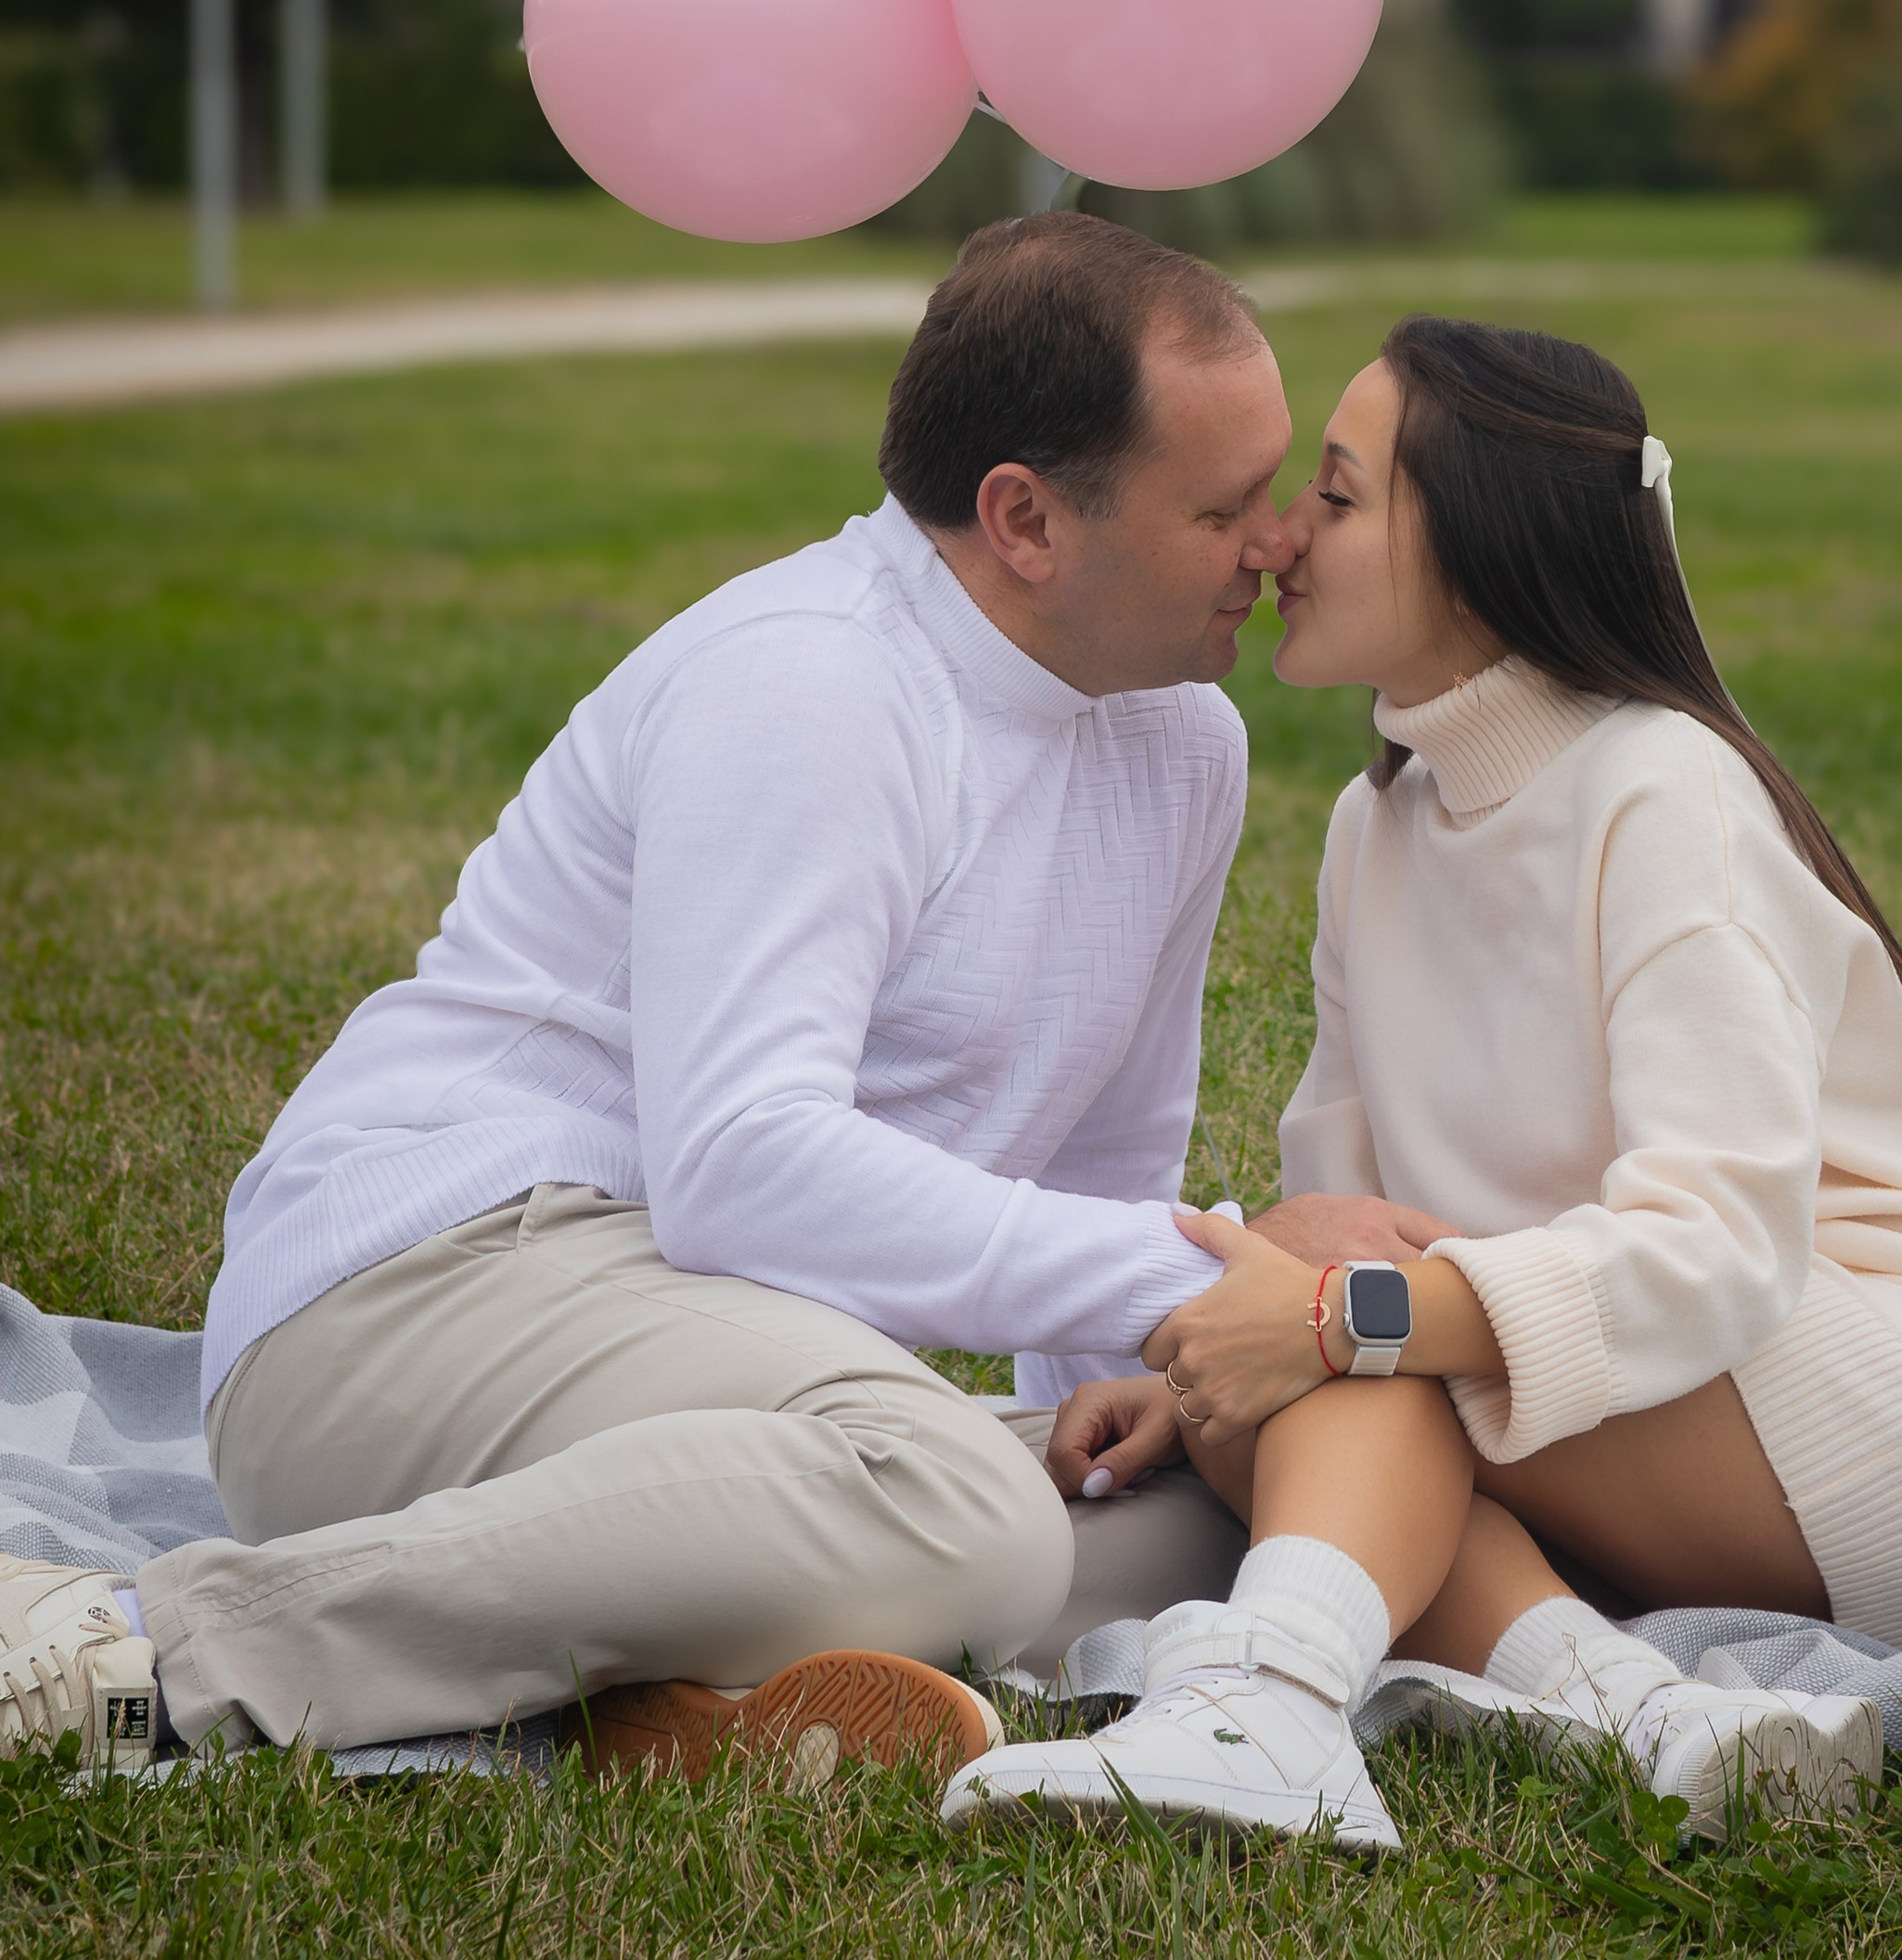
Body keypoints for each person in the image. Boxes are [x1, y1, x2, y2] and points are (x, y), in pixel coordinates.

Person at [0, 215, 1281, 1780]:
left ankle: (656, 1681)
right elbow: (741, 1167)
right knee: (964, 1512)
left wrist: (1145, 1396)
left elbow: (1105, 1167)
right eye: (1225, 507)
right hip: (434, 1283)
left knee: (1242, 1501)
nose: (1276, 545)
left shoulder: (1181, 742)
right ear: (1024, 518)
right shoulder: (815, 680)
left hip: (699, 1343)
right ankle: (139, 1652)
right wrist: (1189, 1283)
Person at [950, 316, 1902, 1851]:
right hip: (1681, 1407)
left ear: (1484, 543)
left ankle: (1266, 1701)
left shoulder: (1662, 787)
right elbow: (1344, 1216)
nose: (1283, 537)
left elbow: (1719, 1247)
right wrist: (1208, 1354)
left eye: (1341, 492)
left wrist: (1319, 1319)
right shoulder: (1379, 834)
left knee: (1328, 1325)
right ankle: (1648, 1713)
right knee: (1277, 1348)